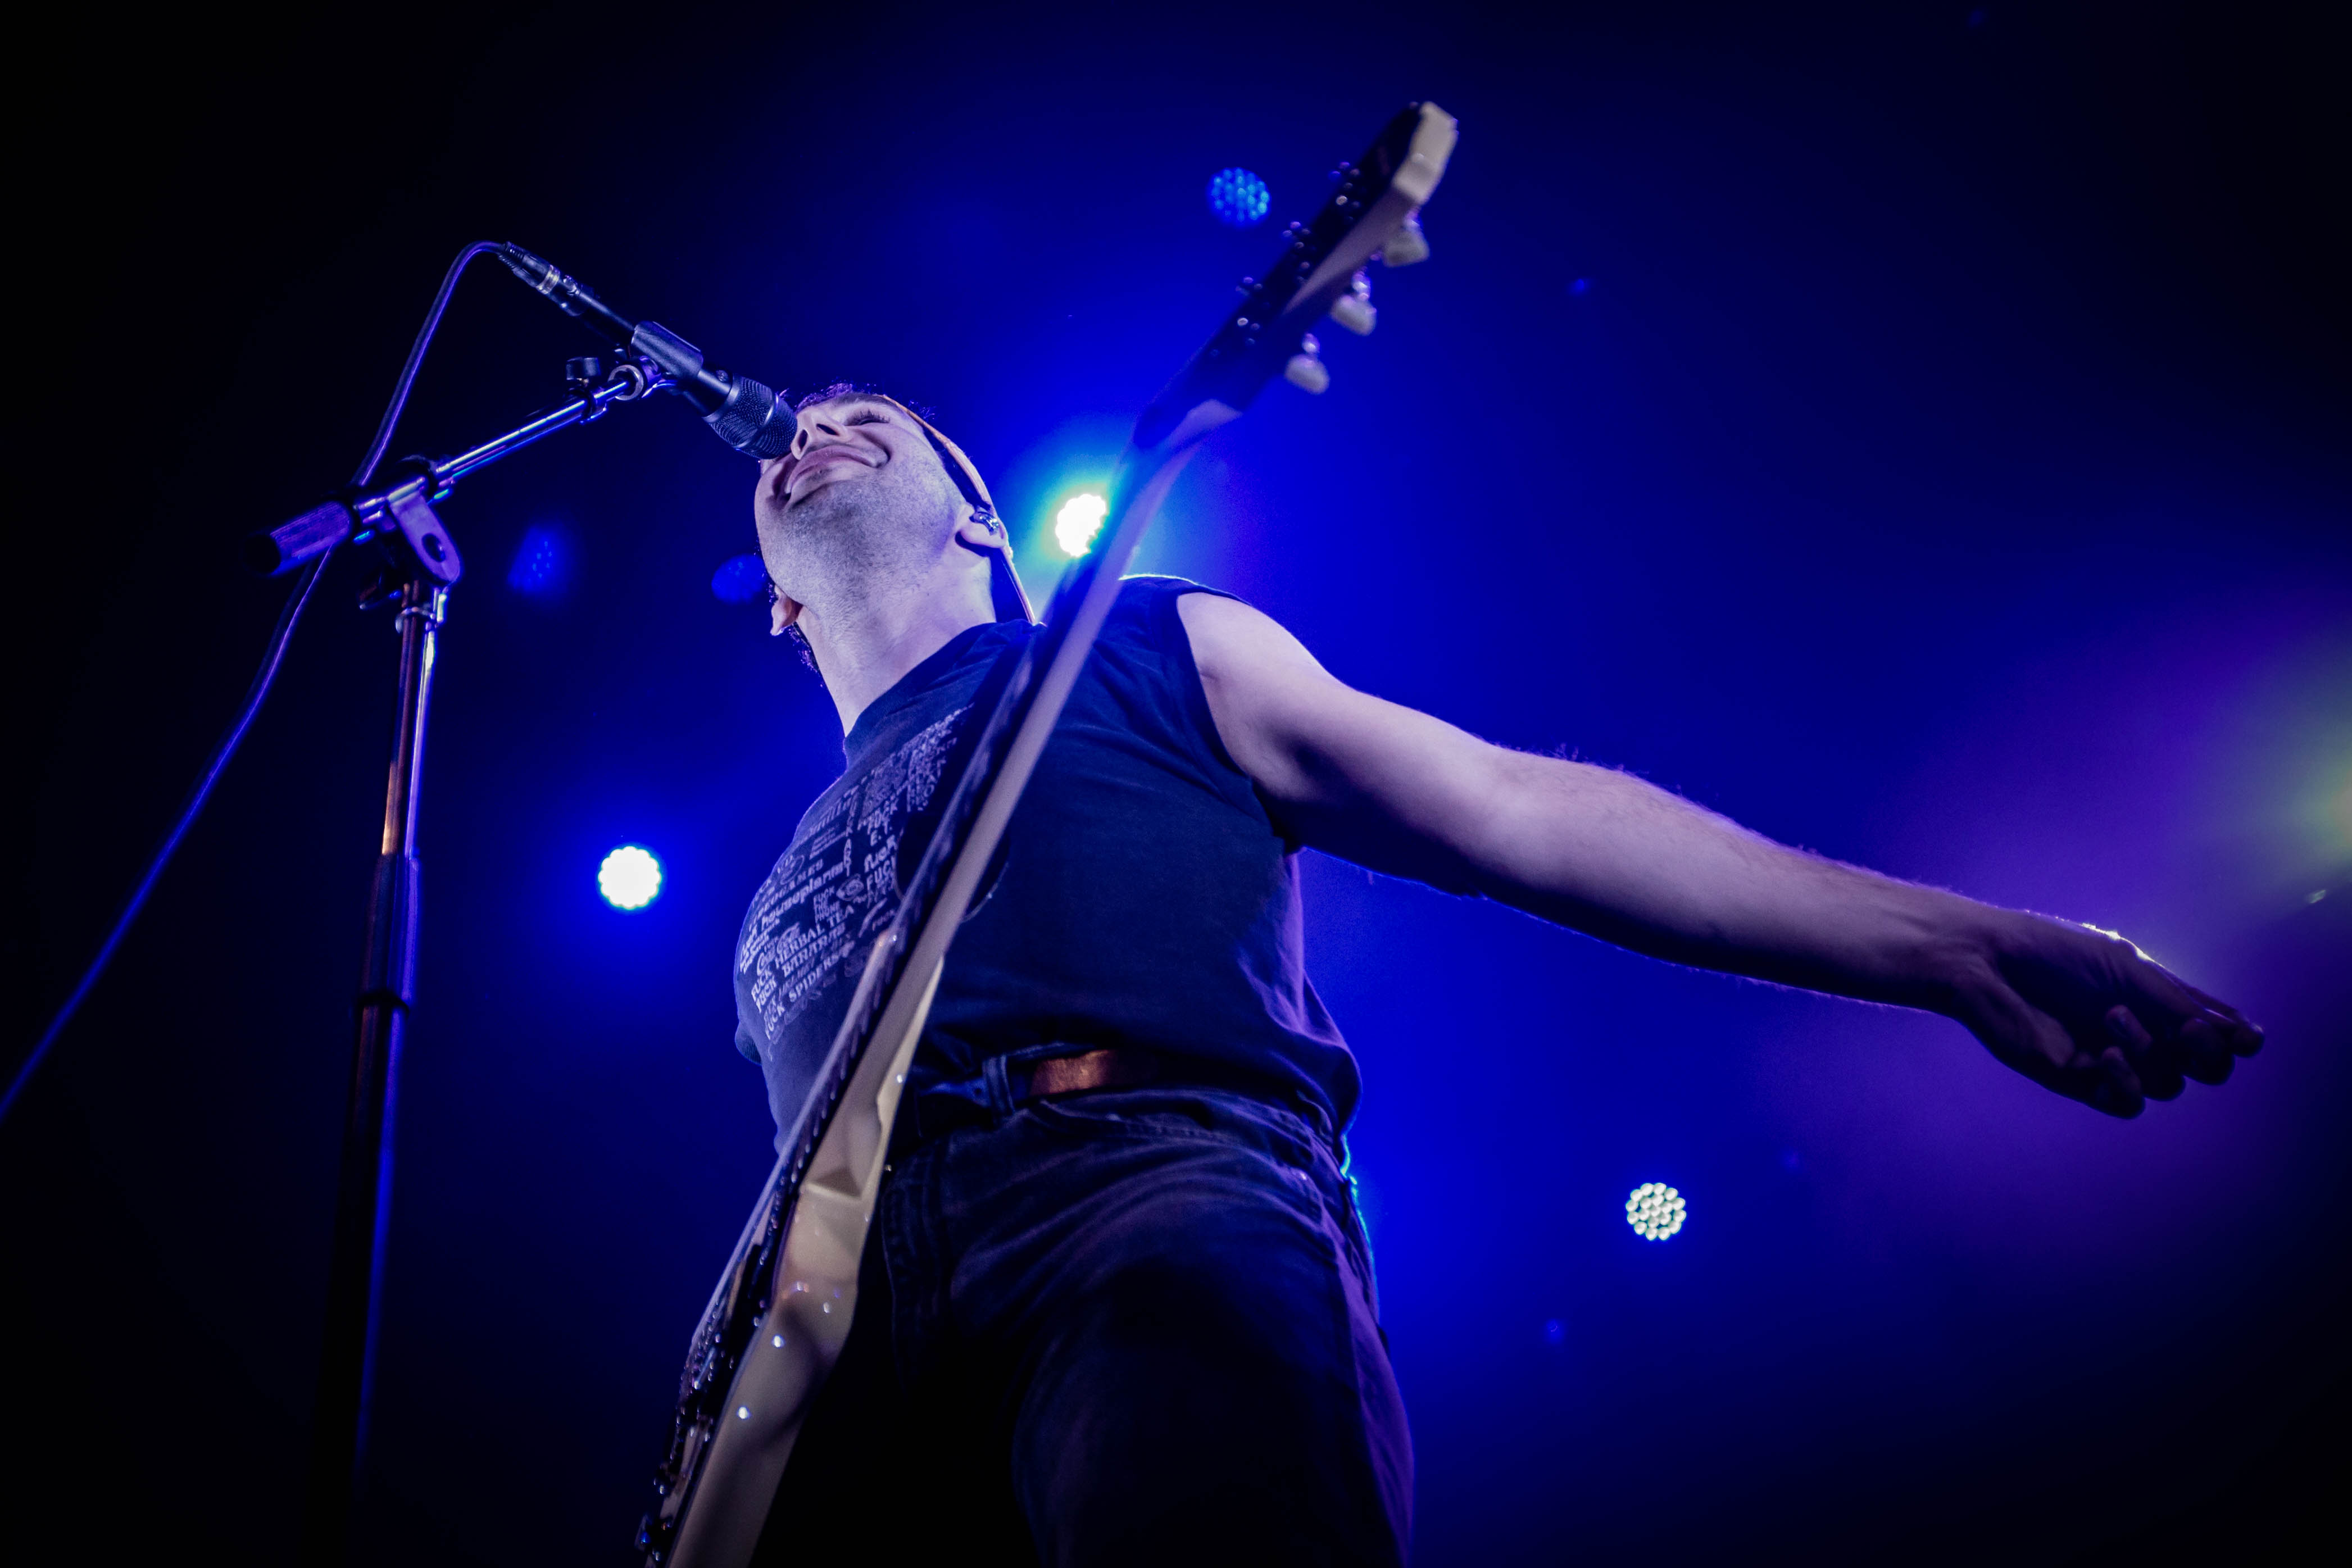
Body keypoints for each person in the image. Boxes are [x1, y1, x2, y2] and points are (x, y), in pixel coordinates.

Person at [728, 385, 2262, 1567]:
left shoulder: (1148, 645)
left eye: (875, 422)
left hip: (1137, 1204)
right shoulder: (772, 892)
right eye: (791, 439)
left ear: (984, 517)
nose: (815, 431)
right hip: (847, 1347)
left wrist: (1944, 943)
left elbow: (1513, 810)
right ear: (777, 607)